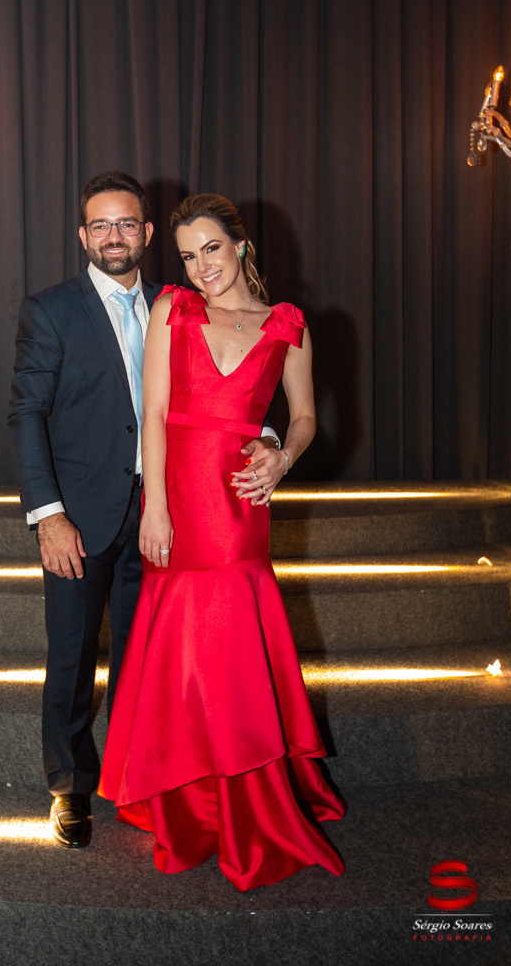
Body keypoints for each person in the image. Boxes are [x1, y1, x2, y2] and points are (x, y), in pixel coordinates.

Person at [9, 175, 286, 849]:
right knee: (73, 651)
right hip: (81, 515)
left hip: (174, 510)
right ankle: (70, 784)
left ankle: (142, 776)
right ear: (84, 236)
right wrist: (49, 515)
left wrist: (270, 440)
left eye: (127, 224)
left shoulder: (182, 302)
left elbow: (239, 381)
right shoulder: (51, 310)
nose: (115, 236)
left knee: (150, 659)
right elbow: (26, 415)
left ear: (148, 233)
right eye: (101, 225)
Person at [98, 194, 345, 891]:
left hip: (239, 503)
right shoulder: (172, 311)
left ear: (240, 246)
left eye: (211, 248)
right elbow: (152, 413)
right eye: (187, 255)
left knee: (232, 642)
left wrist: (281, 457)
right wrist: (154, 508)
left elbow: (304, 418)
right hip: (179, 500)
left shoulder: (287, 325)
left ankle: (250, 796)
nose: (201, 266)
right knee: (182, 645)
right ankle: (186, 794)